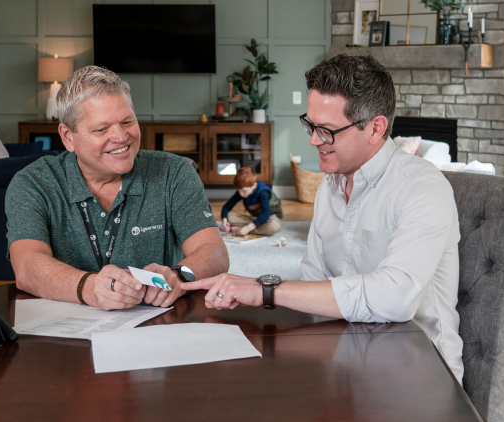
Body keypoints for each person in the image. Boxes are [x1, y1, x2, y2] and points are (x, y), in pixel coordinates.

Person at [182, 54, 464, 383]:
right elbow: (314, 284)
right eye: (311, 125)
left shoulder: (423, 188)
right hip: (347, 367)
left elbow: (395, 297)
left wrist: (266, 290)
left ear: (376, 128)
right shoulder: (329, 188)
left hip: (421, 380)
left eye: (327, 130)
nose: (314, 140)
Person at [6, 66, 229, 311]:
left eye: (127, 121)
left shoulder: (174, 173)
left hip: (157, 329)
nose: (122, 137)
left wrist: (178, 275)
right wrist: (90, 288)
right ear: (68, 137)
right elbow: (27, 267)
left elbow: (215, 252)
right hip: (66, 333)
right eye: (102, 129)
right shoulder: (33, 182)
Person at [221, 166, 283, 236]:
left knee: (273, 227)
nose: (241, 194)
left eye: (244, 191)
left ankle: (243, 229)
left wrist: (248, 228)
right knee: (228, 217)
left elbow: (266, 213)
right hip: (256, 218)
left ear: (254, 185)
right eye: (239, 190)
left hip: (270, 218)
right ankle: (248, 229)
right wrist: (224, 222)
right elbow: (226, 207)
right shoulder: (242, 189)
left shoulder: (263, 193)